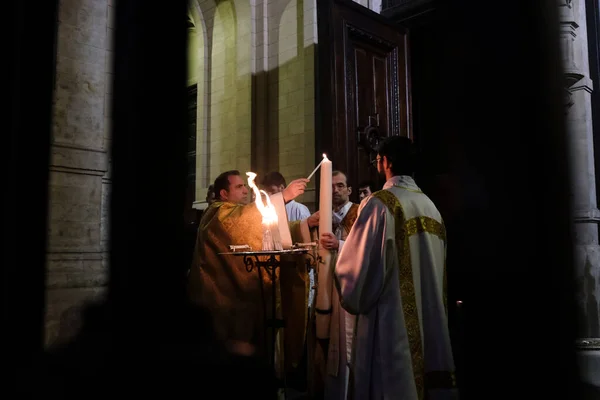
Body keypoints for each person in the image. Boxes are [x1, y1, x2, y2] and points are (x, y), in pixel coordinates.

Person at [332, 136, 456, 399]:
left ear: (385, 162)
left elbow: (357, 272)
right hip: (429, 317)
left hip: (391, 322)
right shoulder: (431, 207)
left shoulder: (380, 204)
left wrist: (336, 260)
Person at [187, 170, 311, 373]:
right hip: (221, 304)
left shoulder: (233, 211)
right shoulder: (216, 214)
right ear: (223, 194)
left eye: (245, 186)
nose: (245, 190)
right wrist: (283, 197)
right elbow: (241, 220)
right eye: (239, 187)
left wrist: (304, 225)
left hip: (241, 302)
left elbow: (267, 227)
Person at [305, 171, 360, 400]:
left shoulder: (360, 213)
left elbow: (368, 248)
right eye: (331, 186)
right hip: (323, 289)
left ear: (349, 190)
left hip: (348, 291)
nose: (335, 190)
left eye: (340, 186)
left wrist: (340, 244)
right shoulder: (321, 216)